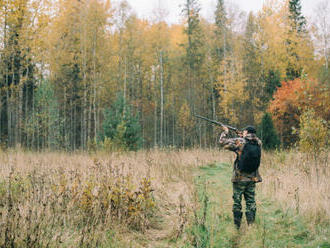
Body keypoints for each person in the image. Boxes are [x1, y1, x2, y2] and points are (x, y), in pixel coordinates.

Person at [219, 125, 262, 229]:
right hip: (252, 178)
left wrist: (225, 132)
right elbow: (248, 141)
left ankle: (237, 227)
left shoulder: (240, 141)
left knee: (237, 202)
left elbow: (222, 142)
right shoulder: (258, 142)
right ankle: (251, 225)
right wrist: (242, 135)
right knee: (251, 201)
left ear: (246, 132)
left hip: (239, 178)